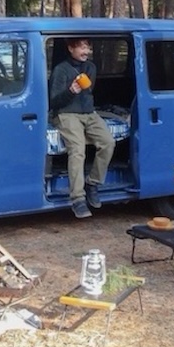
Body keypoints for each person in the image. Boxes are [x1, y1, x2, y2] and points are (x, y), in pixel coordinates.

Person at [49, 38, 115, 218]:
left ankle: (93, 182)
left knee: (108, 142)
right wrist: (71, 91)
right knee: (77, 149)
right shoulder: (60, 70)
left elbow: (89, 93)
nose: (86, 51)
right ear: (70, 48)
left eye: (88, 47)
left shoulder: (91, 68)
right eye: (81, 47)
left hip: (88, 113)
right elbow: (54, 101)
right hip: (66, 113)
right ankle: (77, 198)